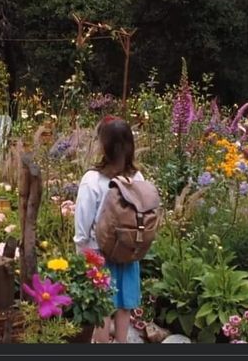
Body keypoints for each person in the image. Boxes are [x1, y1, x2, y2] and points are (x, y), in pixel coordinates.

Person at [74, 116, 143, 343]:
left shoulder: (93, 179)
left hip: (98, 252)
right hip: (128, 252)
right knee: (124, 304)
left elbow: (83, 222)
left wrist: (81, 251)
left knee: (101, 306)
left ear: (104, 146)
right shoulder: (137, 177)